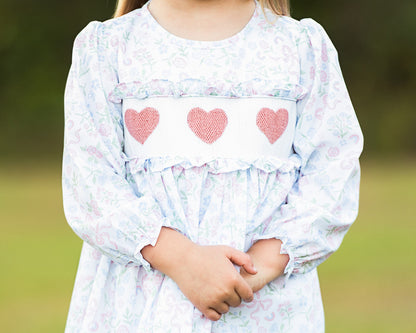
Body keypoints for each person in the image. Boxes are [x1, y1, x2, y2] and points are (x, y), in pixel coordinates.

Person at [62, 0, 363, 331]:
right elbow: (90, 181)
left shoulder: (301, 47)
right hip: (139, 309)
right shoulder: (107, 47)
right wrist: (183, 260)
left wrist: (253, 270)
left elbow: (332, 172)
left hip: (264, 308)